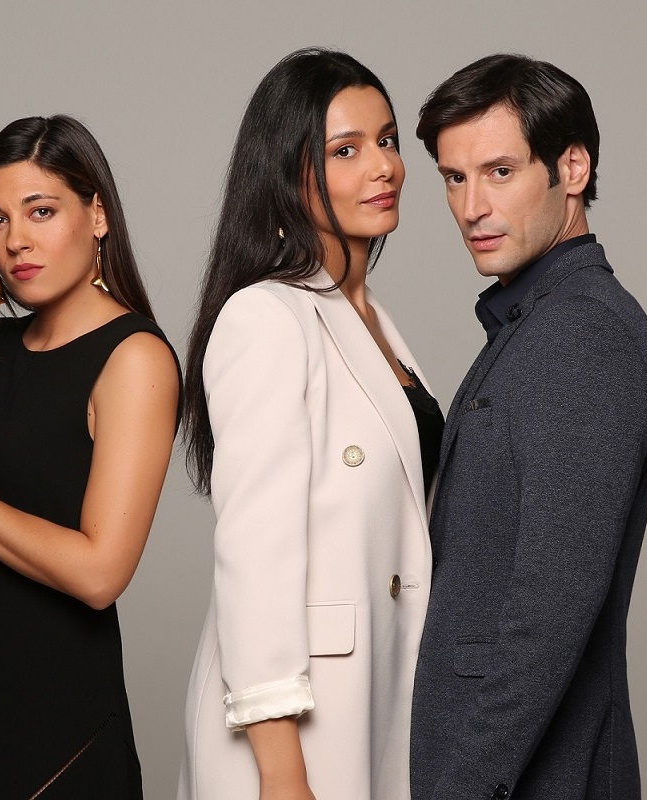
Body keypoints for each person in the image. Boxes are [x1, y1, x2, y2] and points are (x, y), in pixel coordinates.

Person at [179, 48, 440, 800]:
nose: (384, 167)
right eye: (345, 150)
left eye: (387, 140)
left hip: (378, 698)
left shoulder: (375, 322)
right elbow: (254, 554)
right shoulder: (266, 316)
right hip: (290, 729)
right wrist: (282, 773)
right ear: (291, 175)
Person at [409, 54, 647, 800]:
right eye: (454, 178)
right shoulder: (535, 323)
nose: (471, 207)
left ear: (572, 168)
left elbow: (548, 615)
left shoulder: (581, 335)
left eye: (500, 172)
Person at [0, 115, 180, 799]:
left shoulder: (135, 359)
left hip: (59, 733)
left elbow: (100, 572)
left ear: (97, 215)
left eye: (41, 211)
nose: (16, 241)